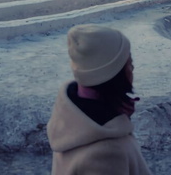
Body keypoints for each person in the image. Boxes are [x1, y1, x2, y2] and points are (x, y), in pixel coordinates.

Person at [47, 25, 150, 175]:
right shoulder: (106, 154)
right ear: (114, 75)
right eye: (129, 62)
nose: (132, 68)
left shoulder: (72, 115)